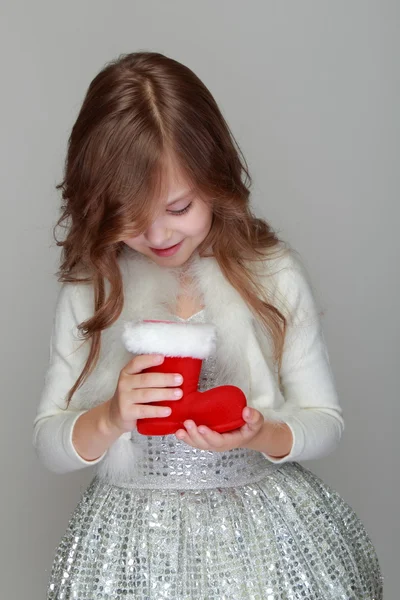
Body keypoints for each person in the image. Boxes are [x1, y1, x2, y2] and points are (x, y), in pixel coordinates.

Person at [33, 51, 383, 599]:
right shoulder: (92, 289)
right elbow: (48, 442)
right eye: (130, 214)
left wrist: (262, 432)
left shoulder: (271, 274)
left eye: (178, 206)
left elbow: (326, 421)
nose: (158, 235)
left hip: (259, 542)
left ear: (214, 178)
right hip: (132, 549)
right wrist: (110, 416)